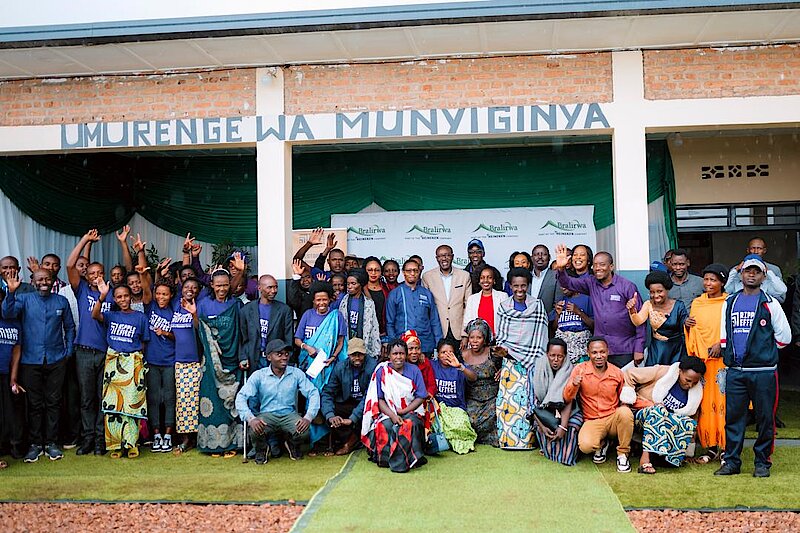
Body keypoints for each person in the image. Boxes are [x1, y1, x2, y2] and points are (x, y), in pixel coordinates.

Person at [715, 254, 791, 478]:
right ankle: (731, 462)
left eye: (756, 271)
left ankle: (762, 463)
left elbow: (784, 337)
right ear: (741, 274)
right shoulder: (729, 302)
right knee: (733, 419)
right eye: (748, 270)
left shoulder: (770, 303)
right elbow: (724, 336)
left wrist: (763, 353)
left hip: (763, 372)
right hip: (736, 372)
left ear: (763, 276)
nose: (751, 275)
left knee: (765, 418)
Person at [2, 269, 75, 462]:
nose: (44, 282)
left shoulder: (61, 301)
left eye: (47, 279)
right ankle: (35, 444)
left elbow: (69, 327)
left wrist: (68, 352)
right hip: (30, 360)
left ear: (52, 281)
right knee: (34, 404)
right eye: (40, 279)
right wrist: (11, 292)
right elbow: (7, 313)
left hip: (56, 360)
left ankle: (51, 443)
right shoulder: (24, 299)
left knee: (54, 402)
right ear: (33, 281)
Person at [554, 245, 645, 368]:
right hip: (600, 350)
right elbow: (568, 283)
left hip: (624, 348)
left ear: (611, 266)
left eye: (602, 264)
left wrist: (639, 348)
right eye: (595, 265)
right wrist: (561, 269)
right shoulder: (591, 283)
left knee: (624, 380)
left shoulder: (627, 286)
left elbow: (640, 319)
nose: (597, 268)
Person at [67, 230, 115, 456]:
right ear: (86, 276)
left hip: (106, 352)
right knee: (86, 398)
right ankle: (87, 439)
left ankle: (99, 439)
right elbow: (70, 265)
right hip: (84, 352)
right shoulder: (82, 289)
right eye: (92, 273)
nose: (96, 276)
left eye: (100, 273)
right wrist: (85, 240)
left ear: (104, 274)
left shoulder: (113, 294)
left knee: (102, 397)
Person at [235, 339, 320, 464]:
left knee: (304, 431)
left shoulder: (296, 373)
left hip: (289, 414)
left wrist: (308, 417)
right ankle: (262, 449)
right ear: (269, 357)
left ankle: (291, 444)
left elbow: (313, 392)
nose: (284, 357)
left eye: (286, 354)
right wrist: (250, 418)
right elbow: (241, 397)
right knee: (255, 428)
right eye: (279, 354)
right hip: (267, 415)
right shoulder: (259, 375)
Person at [192, 263, 246, 458]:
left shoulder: (236, 305)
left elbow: (242, 332)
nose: (222, 289)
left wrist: (242, 356)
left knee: (232, 402)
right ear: (212, 285)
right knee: (212, 400)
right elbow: (199, 329)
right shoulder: (203, 304)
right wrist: (194, 314)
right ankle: (213, 445)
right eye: (218, 285)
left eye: (225, 285)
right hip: (211, 363)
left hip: (233, 362)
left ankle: (232, 443)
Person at [92, 279, 149, 459]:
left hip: (133, 363)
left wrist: (137, 362)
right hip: (113, 363)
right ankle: (115, 445)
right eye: (119, 297)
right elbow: (95, 314)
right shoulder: (111, 315)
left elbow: (144, 343)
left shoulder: (140, 317)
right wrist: (102, 296)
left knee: (131, 405)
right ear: (115, 299)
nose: (123, 299)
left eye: (125, 296)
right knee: (112, 406)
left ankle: (131, 443)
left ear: (131, 297)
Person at [621, 357, 706, 473]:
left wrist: (689, 451)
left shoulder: (695, 394)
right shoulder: (663, 372)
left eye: (695, 382)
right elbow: (629, 374)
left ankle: (669, 460)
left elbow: (693, 421)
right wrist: (628, 398)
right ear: (680, 371)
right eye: (688, 380)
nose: (690, 385)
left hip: (665, 424)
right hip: (642, 414)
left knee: (687, 421)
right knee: (659, 410)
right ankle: (645, 459)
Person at [494, 267, 548, 450]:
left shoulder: (537, 305)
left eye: (523, 286)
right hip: (510, 364)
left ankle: (529, 441)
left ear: (528, 285)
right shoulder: (503, 307)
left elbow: (541, 336)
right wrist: (505, 351)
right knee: (509, 403)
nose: (519, 289)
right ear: (510, 286)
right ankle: (508, 441)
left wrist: (533, 360)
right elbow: (501, 336)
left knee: (528, 402)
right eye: (516, 286)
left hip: (532, 365)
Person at [563, 337, 634, 473]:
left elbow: (624, 397)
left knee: (625, 412)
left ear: (608, 352)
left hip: (612, 417)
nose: (599, 356)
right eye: (594, 352)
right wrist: (574, 385)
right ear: (588, 353)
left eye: (602, 352)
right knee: (585, 446)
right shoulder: (580, 370)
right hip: (592, 420)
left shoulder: (616, 372)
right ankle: (602, 443)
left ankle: (623, 454)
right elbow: (567, 398)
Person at [361, 339, 428, 473]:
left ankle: (407, 461)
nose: (398, 357)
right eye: (395, 354)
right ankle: (385, 460)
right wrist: (392, 415)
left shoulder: (414, 370)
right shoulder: (382, 371)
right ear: (389, 355)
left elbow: (421, 396)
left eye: (401, 354)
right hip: (388, 412)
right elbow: (379, 399)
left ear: (406, 355)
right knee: (385, 425)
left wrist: (404, 411)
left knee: (409, 424)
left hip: (411, 411)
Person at [294, 281, 347, 450]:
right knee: (311, 400)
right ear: (313, 301)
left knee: (327, 400)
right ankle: (314, 443)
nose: (322, 303)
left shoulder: (336, 316)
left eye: (324, 299)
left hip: (329, 367)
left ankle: (328, 443)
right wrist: (307, 347)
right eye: (318, 300)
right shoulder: (307, 315)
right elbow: (297, 339)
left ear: (330, 299)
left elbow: (341, 341)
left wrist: (333, 357)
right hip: (310, 369)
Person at [684, 263, 729, 461]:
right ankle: (710, 447)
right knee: (703, 405)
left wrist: (721, 344)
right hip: (702, 362)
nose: (708, 283)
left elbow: (732, 328)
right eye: (706, 279)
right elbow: (694, 331)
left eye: (713, 280)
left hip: (722, 362)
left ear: (722, 283)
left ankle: (726, 447)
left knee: (723, 404)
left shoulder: (729, 302)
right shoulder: (697, 303)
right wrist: (687, 325)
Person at [528, 339, 583, 466]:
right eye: (552, 355)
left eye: (560, 356)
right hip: (543, 413)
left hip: (568, 411)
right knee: (544, 428)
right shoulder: (535, 369)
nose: (556, 360)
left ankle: (566, 457)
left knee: (573, 425)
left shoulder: (571, 370)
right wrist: (542, 426)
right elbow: (531, 402)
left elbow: (569, 400)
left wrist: (563, 427)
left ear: (565, 356)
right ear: (547, 354)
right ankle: (550, 452)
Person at [321, 337, 378, 456]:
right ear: (348, 355)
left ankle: (351, 441)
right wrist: (330, 416)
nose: (357, 358)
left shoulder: (372, 366)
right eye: (353, 355)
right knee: (326, 410)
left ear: (365, 354)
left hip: (366, 404)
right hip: (348, 401)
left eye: (360, 354)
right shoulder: (340, 367)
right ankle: (353, 438)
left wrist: (352, 418)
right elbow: (328, 392)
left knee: (369, 413)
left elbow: (369, 396)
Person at [627, 271, 688, 366]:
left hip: (677, 350)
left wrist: (687, 323)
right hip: (657, 349)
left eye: (659, 291)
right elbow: (638, 322)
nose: (655, 296)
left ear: (667, 290)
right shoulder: (648, 304)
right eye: (652, 292)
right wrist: (632, 311)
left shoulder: (679, 306)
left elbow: (685, 329)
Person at [144, 277, 177, 453]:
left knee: (170, 399)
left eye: (165, 294)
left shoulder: (174, 310)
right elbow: (145, 287)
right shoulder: (151, 307)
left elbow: (179, 336)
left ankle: (168, 435)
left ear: (171, 295)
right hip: (152, 360)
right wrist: (145, 273)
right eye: (158, 293)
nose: (161, 297)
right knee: (154, 398)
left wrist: (166, 333)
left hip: (169, 361)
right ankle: (156, 434)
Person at [171, 277, 202, 454]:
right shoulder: (175, 304)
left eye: (194, 287)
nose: (190, 289)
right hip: (177, 360)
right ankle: (185, 437)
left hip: (194, 361)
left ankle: (193, 437)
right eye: (187, 286)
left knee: (193, 400)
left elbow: (199, 328)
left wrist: (194, 313)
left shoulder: (200, 305)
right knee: (181, 401)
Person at [431, 338, 478, 454]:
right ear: (438, 354)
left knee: (461, 426)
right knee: (439, 428)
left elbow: (473, 377)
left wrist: (460, 367)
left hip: (456, 408)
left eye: (450, 352)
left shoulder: (459, 367)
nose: (446, 355)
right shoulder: (432, 365)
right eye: (443, 352)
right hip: (439, 409)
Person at [386, 260, 442, 355]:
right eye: (409, 271)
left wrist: (439, 344)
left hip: (425, 345)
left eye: (415, 270)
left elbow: (434, 320)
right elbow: (390, 323)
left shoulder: (427, 293)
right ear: (403, 272)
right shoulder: (395, 294)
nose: (412, 273)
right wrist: (394, 345)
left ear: (419, 272)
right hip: (403, 346)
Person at [240, 275, 294, 371]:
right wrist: (243, 357)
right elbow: (243, 338)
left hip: (276, 359)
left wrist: (286, 358)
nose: (273, 291)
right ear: (259, 288)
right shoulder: (247, 310)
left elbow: (288, 338)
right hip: (253, 359)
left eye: (276, 287)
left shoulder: (284, 310)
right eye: (269, 287)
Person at [422, 245, 472, 344]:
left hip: (458, 332)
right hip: (437, 331)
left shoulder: (464, 276)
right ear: (436, 258)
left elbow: (469, 307)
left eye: (447, 255)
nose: (444, 258)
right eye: (440, 256)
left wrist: (465, 334)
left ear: (452, 257)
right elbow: (425, 308)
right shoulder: (427, 277)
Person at [462, 318, 501, 447]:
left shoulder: (493, 353)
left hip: (492, 398)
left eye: (479, 337)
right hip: (472, 398)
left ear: (484, 339)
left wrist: (502, 370)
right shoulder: (462, 355)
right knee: (471, 420)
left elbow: (508, 364)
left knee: (495, 414)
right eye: (471, 337)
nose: (474, 341)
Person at [0, 288, 25, 464]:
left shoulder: (15, 323)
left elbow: (16, 351)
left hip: (6, 373)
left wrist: (13, 378)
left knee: (9, 413)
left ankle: (12, 446)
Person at [724, 238, 787, 303]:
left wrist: (764, 300)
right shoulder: (736, 270)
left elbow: (781, 296)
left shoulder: (773, 270)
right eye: (753, 248)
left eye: (759, 248)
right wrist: (735, 271)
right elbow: (725, 292)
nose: (756, 251)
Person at [338, 269, 381, 359]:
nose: (349, 287)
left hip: (363, 343)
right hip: (346, 343)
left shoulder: (368, 303)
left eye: (353, 284)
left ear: (360, 285)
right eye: (348, 284)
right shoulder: (343, 301)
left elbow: (374, 327)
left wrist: (376, 350)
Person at [462, 265, 509, 339]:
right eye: (482, 277)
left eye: (489, 277)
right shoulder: (472, 299)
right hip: (478, 341)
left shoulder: (503, 297)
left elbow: (506, 321)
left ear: (494, 280)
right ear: (479, 281)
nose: (485, 280)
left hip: (498, 340)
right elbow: (467, 322)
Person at [552, 286, 594, 365]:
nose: (563, 288)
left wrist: (579, 312)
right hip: (563, 351)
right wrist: (558, 315)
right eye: (561, 285)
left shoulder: (586, 299)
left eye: (565, 285)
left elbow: (593, 326)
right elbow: (553, 329)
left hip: (581, 349)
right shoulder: (561, 300)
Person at [402, 330, 437, 402]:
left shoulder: (425, 363)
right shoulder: (400, 364)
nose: (414, 352)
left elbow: (432, 385)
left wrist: (429, 394)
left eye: (417, 348)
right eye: (410, 349)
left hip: (424, 399)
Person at [364, 257, 391, 345]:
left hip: (384, 334)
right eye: (370, 270)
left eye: (377, 270)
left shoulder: (387, 288)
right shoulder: (359, 289)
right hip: (365, 335)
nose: (373, 273)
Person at [531, 244, 561, 314]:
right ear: (532, 258)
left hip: (548, 319)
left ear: (549, 257)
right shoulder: (526, 276)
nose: (540, 257)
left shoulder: (556, 276)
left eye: (544, 254)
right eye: (536, 254)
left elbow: (558, 303)